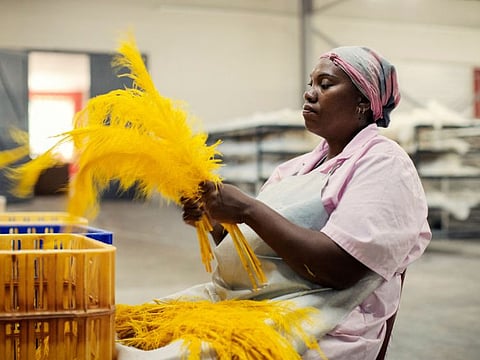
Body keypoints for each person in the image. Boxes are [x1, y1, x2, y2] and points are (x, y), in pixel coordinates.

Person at [116, 46, 431, 360]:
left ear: (363, 101)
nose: (310, 94)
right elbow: (258, 252)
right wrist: (216, 222)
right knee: (132, 326)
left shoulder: (384, 164)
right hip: (258, 300)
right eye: (310, 84)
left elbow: (341, 269)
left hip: (321, 320)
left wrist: (249, 210)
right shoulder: (296, 168)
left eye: (326, 84)